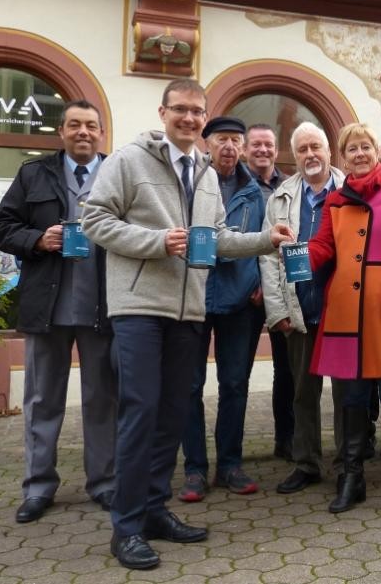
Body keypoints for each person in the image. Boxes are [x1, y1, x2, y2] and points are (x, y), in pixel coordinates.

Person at [82, 79, 294, 570]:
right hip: (138, 307)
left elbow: (216, 238)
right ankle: (127, 527)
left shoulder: (203, 170)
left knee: (172, 412)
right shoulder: (129, 161)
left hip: (189, 310)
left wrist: (267, 239)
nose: (191, 119)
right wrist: (156, 242)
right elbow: (93, 217)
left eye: (198, 112)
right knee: (140, 410)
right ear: (163, 112)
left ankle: (155, 510)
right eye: (181, 110)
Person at [0, 100, 117, 524]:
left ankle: (104, 483)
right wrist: (37, 239)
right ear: (61, 132)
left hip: (102, 307)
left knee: (102, 399)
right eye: (75, 125)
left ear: (101, 133)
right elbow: (1, 229)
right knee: (43, 400)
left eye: (91, 126)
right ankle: (38, 487)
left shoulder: (117, 173)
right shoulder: (34, 174)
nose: (84, 132)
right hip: (47, 307)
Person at [308, 122, 381, 516]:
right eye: (351, 149)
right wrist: (296, 256)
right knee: (353, 397)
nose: (359, 154)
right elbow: (324, 245)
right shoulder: (336, 201)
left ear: (376, 151)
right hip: (344, 309)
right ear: (344, 157)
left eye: (365, 147)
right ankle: (352, 479)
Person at [178, 116, 266, 502]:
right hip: (193, 297)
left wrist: (261, 284)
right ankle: (195, 469)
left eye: (236, 140)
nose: (229, 146)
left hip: (240, 302)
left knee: (234, 385)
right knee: (189, 386)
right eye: (221, 139)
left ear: (243, 148)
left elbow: (265, 246)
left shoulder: (256, 191)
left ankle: (230, 463)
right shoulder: (189, 184)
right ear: (206, 144)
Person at [259, 122, 346, 494]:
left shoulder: (350, 191)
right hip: (299, 308)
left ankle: (347, 462)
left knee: (346, 393)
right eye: (302, 150)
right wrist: (276, 310)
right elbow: (267, 258)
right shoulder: (280, 198)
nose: (310, 155)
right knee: (302, 392)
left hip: (341, 308)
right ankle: (307, 462)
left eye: (316, 147)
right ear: (294, 157)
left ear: (329, 151)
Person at [246, 123, 294, 461]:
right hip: (244, 294)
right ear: (248, 150)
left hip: (278, 290)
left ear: (276, 151)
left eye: (268, 145)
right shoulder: (236, 185)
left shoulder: (288, 187)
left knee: (286, 369)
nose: (263, 150)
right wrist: (253, 281)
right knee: (237, 377)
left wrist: (271, 285)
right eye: (257, 145)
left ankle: (287, 438)